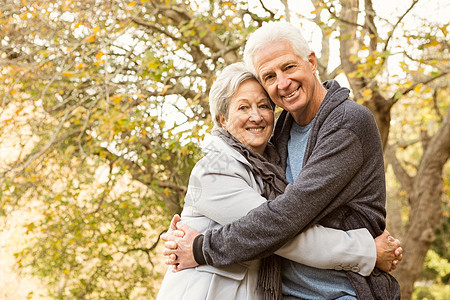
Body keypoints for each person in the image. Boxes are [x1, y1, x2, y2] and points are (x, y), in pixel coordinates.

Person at [161, 22, 402, 299]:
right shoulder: (279, 133)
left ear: (311, 62)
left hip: (341, 292)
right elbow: (270, 218)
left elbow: (285, 218)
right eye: (270, 76)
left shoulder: (347, 123)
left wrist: (202, 248)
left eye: (288, 67)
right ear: (222, 120)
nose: (283, 83)